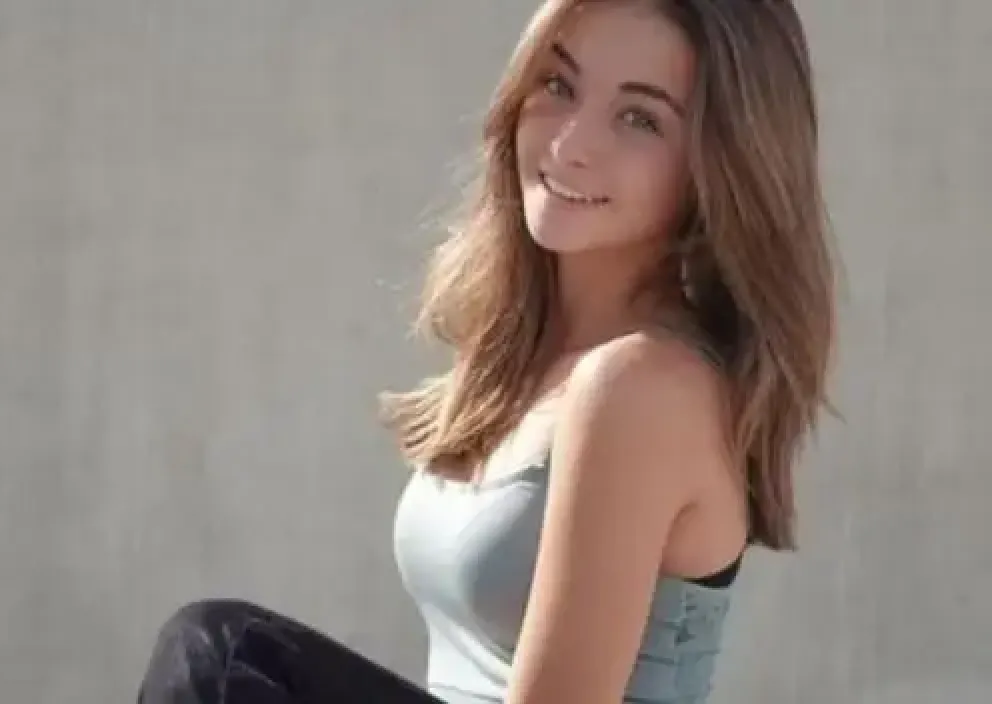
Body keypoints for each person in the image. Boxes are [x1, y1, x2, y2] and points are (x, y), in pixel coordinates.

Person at [138, 0, 835, 702]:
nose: (570, 144)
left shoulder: (640, 388)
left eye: (639, 119)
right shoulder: (530, 361)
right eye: (558, 85)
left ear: (716, 166)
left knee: (219, 656)